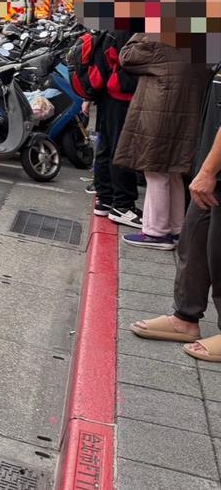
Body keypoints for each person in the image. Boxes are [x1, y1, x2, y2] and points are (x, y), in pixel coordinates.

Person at [129, 63, 221, 359]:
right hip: (211, 165)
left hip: (215, 169)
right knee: (194, 242)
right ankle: (185, 318)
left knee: (219, 251)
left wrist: (208, 170)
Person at [113, 34, 209, 249]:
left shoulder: (159, 39)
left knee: (155, 170)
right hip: (187, 115)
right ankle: (176, 229)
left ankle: (155, 232)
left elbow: (127, 56)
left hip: (160, 114)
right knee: (173, 171)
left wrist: (141, 33)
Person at [91, 29, 140, 227]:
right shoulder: (126, 32)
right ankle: (123, 205)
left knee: (107, 145)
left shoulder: (112, 29)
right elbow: (129, 60)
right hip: (121, 95)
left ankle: (105, 199)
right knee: (121, 148)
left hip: (108, 93)